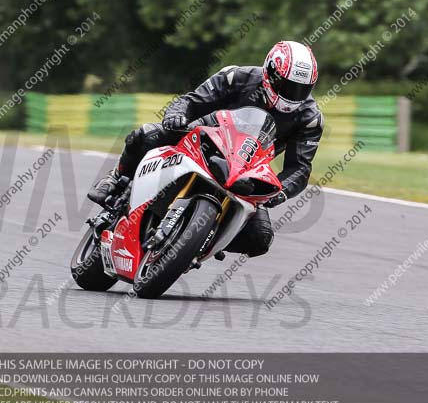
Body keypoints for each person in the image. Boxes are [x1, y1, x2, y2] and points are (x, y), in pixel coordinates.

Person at [88, 40, 323, 257]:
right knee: (147, 134)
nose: (294, 95)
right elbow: (191, 100)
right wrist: (177, 116)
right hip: (202, 138)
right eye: (289, 86)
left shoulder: (309, 118)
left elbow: (300, 169)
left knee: (260, 239)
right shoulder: (236, 77)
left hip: (245, 168)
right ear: (270, 72)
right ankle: (116, 177)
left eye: (302, 89)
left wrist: (279, 193)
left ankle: (206, 238)